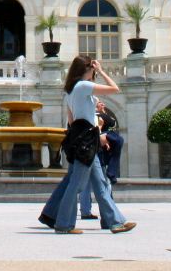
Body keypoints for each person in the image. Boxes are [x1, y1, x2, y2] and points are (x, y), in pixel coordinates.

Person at [38, 56, 135, 235]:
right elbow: (115, 88)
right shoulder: (83, 86)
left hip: (82, 139)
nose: (94, 71)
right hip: (87, 142)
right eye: (93, 68)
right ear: (87, 69)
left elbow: (71, 120)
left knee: (100, 183)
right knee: (76, 184)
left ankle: (115, 222)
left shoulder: (70, 91)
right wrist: (102, 71)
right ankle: (64, 224)